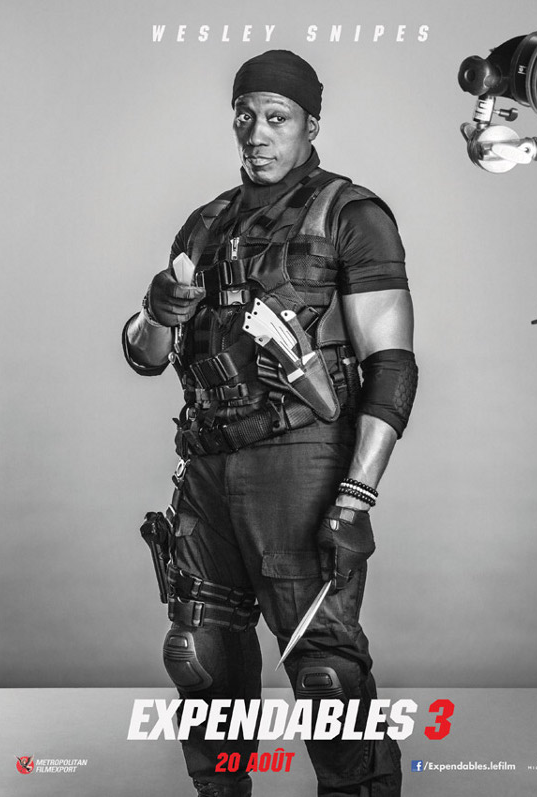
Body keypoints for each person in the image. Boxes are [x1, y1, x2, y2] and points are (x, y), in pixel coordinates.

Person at [123, 49, 417, 797]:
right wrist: (158, 311)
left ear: (310, 124)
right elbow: (144, 356)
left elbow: (392, 365)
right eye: (245, 116)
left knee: (324, 670)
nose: (257, 133)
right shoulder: (204, 225)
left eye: (277, 118)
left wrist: (358, 492)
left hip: (300, 461)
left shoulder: (351, 215)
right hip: (205, 466)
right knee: (201, 658)